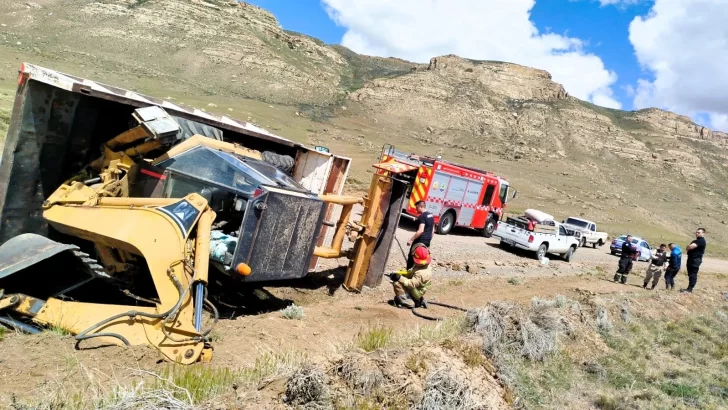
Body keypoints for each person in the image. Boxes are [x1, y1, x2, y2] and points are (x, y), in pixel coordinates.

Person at [390, 244, 432, 309]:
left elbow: (411, 284)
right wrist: (403, 273)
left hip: (416, 292)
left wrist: (399, 278)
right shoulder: (425, 266)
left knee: (397, 283)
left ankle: (408, 302)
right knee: (403, 279)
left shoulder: (421, 273)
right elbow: (413, 272)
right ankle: (416, 299)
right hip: (418, 290)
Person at [406, 200, 434, 269]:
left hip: (420, 240)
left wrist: (411, 240)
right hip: (427, 241)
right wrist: (429, 238)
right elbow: (433, 230)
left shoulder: (422, 217)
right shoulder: (431, 215)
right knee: (423, 257)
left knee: (412, 256)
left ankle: (409, 272)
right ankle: (420, 271)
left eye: (417, 207)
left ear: (421, 207)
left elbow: (421, 230)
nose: (416, 209)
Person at [681, 228, 707, 293]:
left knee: (693, 274)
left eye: (699, 232)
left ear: (703, 233)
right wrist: (688, 247)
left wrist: (689, 246)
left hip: (695, 260)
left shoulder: (701, 241)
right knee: (690, 274)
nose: (697, 233)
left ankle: (690, 289)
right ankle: (689, 288)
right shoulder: (696, 240)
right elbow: (688, 248)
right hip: (691, 259)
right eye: (696, 232)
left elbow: (690, 247)